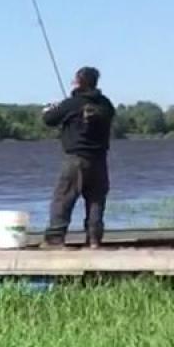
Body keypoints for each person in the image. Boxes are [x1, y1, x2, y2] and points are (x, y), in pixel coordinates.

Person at [42, 66, 115, 247]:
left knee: (63, 198)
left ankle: (55, 239)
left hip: (75, 160)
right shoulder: (106, 104)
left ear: (79, 82)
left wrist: (49, 108)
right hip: (99, 160)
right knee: (96, 201)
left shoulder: (72, 103)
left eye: (74, 80)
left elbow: (48, 119)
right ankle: (94, 239)